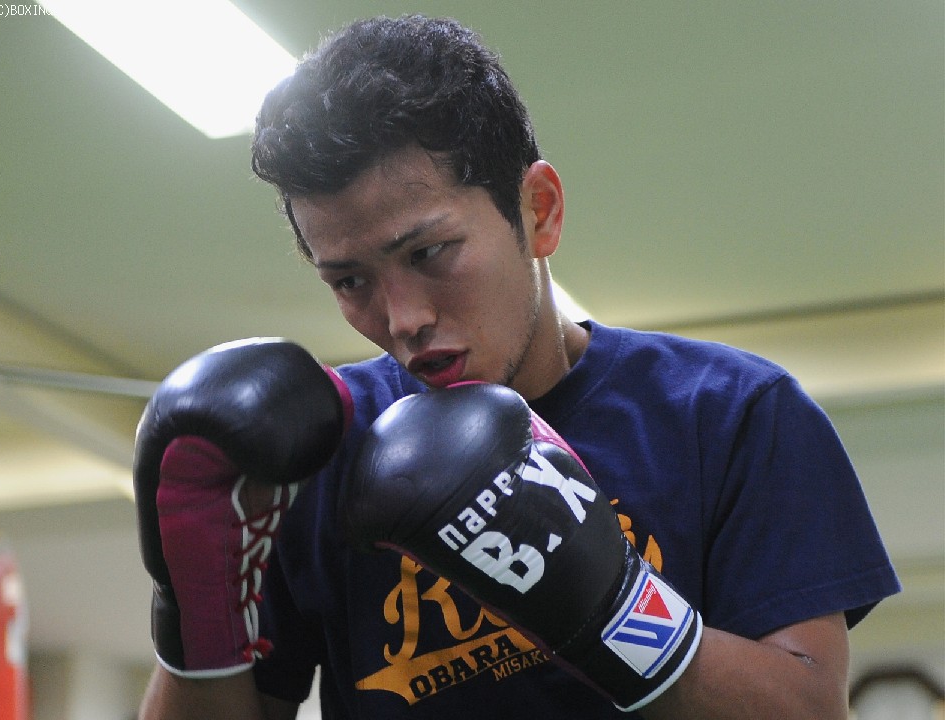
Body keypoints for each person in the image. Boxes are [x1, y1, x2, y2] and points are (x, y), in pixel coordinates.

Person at [136, 14, 900, 719]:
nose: (402, 319)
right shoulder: (319, 451)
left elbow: (810, 709)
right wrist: (195, 615)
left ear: (539, 210)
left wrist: (610, 608)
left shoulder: (731, 412)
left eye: (428, 253)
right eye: (350, 281)